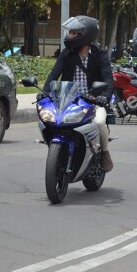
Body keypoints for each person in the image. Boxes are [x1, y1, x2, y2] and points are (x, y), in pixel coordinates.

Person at [45, 16, 115, 172]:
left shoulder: (100, 54)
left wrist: (104, 97)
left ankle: (104, 152)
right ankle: (56, 149)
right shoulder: (66, 54)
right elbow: (53, 75)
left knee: (98, 122)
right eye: (70, 33)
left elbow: (108, 79)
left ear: (86, 34)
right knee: (50, 119)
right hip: (68, 99)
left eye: (74, 33)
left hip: (94, 100)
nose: (70, 36)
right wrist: (45, 92)